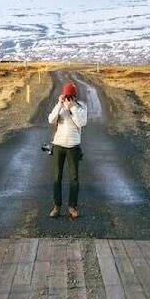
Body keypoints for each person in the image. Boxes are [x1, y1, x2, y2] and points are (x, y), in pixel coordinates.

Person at [47, 80, 88, 219]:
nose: (68, 99)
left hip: (73, 146)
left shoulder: (81, 107)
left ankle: (72, 206)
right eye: (66, 96)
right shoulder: (60, 106)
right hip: (58, 145)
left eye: (70, 96)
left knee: (74, 178)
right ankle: (57, 206)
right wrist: (59, 105)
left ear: (75, 97)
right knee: (56, 177)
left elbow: (82, 123)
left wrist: (72, 108)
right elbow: (51, 120)